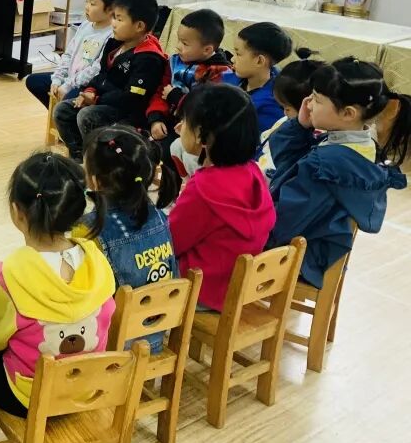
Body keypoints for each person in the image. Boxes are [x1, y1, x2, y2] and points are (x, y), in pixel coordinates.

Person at [0, 153, 116, 443]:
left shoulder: (12, 272)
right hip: (86, 389)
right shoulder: (97, 259)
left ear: (17, 212)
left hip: (29, 397)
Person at [268, 58, 409, 288]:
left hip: (298, 258)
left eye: (317, 99)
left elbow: (284, 223)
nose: (308, 104)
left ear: (348, 113)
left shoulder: (328, 163)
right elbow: (286, 164)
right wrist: (300, 127)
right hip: (316, 249)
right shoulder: (358, 147)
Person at [169, 84, 275, 312]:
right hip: (236, 287)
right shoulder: (252, 172)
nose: (179, 127)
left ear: (202, 135)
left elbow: (170, 243)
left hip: (199, 291)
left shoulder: (204, 188)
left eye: (185, 121)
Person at [80, 126, 181, 353]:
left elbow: (84, 300)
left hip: (114, 349)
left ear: (94, 181)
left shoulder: (88, 230)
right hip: (156, 336)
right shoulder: (160, 216)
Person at [53, 0, 167, 161]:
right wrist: (90, 91)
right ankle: (79, 157)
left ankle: (97, 162)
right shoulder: (114, 42)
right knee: (63, 110)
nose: (113, 23)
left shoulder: (149, 58)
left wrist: (97, 99)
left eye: (119, 19)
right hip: (103, 101)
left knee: (87, 115)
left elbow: (132, 97)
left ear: (139, 26)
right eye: (113, 17)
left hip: (127, 111)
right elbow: (102, 73)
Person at [24, 0, 121, 108]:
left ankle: (62, 114)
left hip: (87, 86)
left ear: (110, 9)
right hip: (69, 78)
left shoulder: (112, 34)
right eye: (86, 1)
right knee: (34, 81)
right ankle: (58, 114)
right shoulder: (85, 25)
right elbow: (68, 54)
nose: (87, 7)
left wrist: (68, 86)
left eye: (92, 4)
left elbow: (96, 69)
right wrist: (57, 79)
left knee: (68, 99)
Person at [149, 8, 233, 147]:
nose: (178, 47)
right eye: (179, 40)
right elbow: (161, 90)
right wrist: (156, 118)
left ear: (207, 49)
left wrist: (175, 96)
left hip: (195, 133)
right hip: (167, 122)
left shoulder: (220, 73)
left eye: (185, 43)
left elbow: (205, 108)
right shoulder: (174, 62)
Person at [257, 49, 324, 178]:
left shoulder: (316, 138)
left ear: (307, 105)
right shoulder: (284, 122)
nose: (283, 112)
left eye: (287, 108)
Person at [228, 22, 293, 134]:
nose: (232, 59)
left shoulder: (271, 106)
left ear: (259, 61)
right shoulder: (230, 79)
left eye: (238, 54)